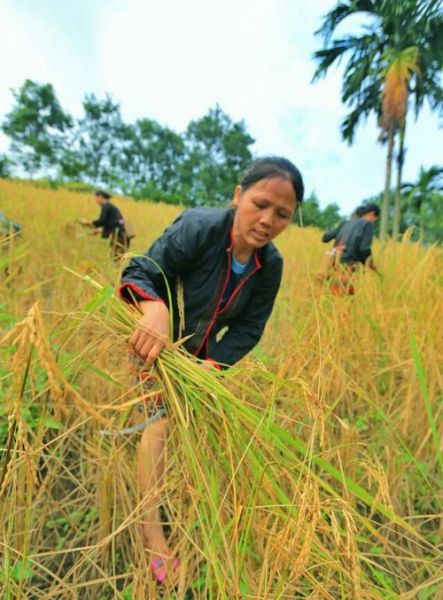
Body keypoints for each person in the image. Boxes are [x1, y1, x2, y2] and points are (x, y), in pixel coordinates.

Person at [118, 156, 304, 583]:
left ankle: (170, 494)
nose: (267, 220)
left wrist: (207, 369)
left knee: (186, 429)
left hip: (198, 361)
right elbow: (141, 269)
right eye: (259, 204)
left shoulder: (269, 266)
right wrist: (155, 308)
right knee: (159, 425)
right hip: (154, 344)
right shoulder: (200, 228)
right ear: (238, 196)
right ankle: (154, 541)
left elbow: (248, 327)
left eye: (281, 214)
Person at [322, 204, 380, 294]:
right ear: (372, 214)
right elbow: (364, 249)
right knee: (346, 298)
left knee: (332, 295)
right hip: (350, 269)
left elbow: (325, 238)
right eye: (375, 219)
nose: (373, 222)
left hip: (333, 266)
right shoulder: (367, 225)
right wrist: (371, 263)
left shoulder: (346, 223)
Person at [80, 190, 130, 258]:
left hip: (120, 235)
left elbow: (102, 221)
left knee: (117, 257)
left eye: (96, 198)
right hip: (122, 234)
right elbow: (112, 223)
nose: (96, 200)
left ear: (100, 196)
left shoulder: (106, 206)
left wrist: (89, 223)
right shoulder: (110, 207)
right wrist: (98, 230)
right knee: (118, 257)